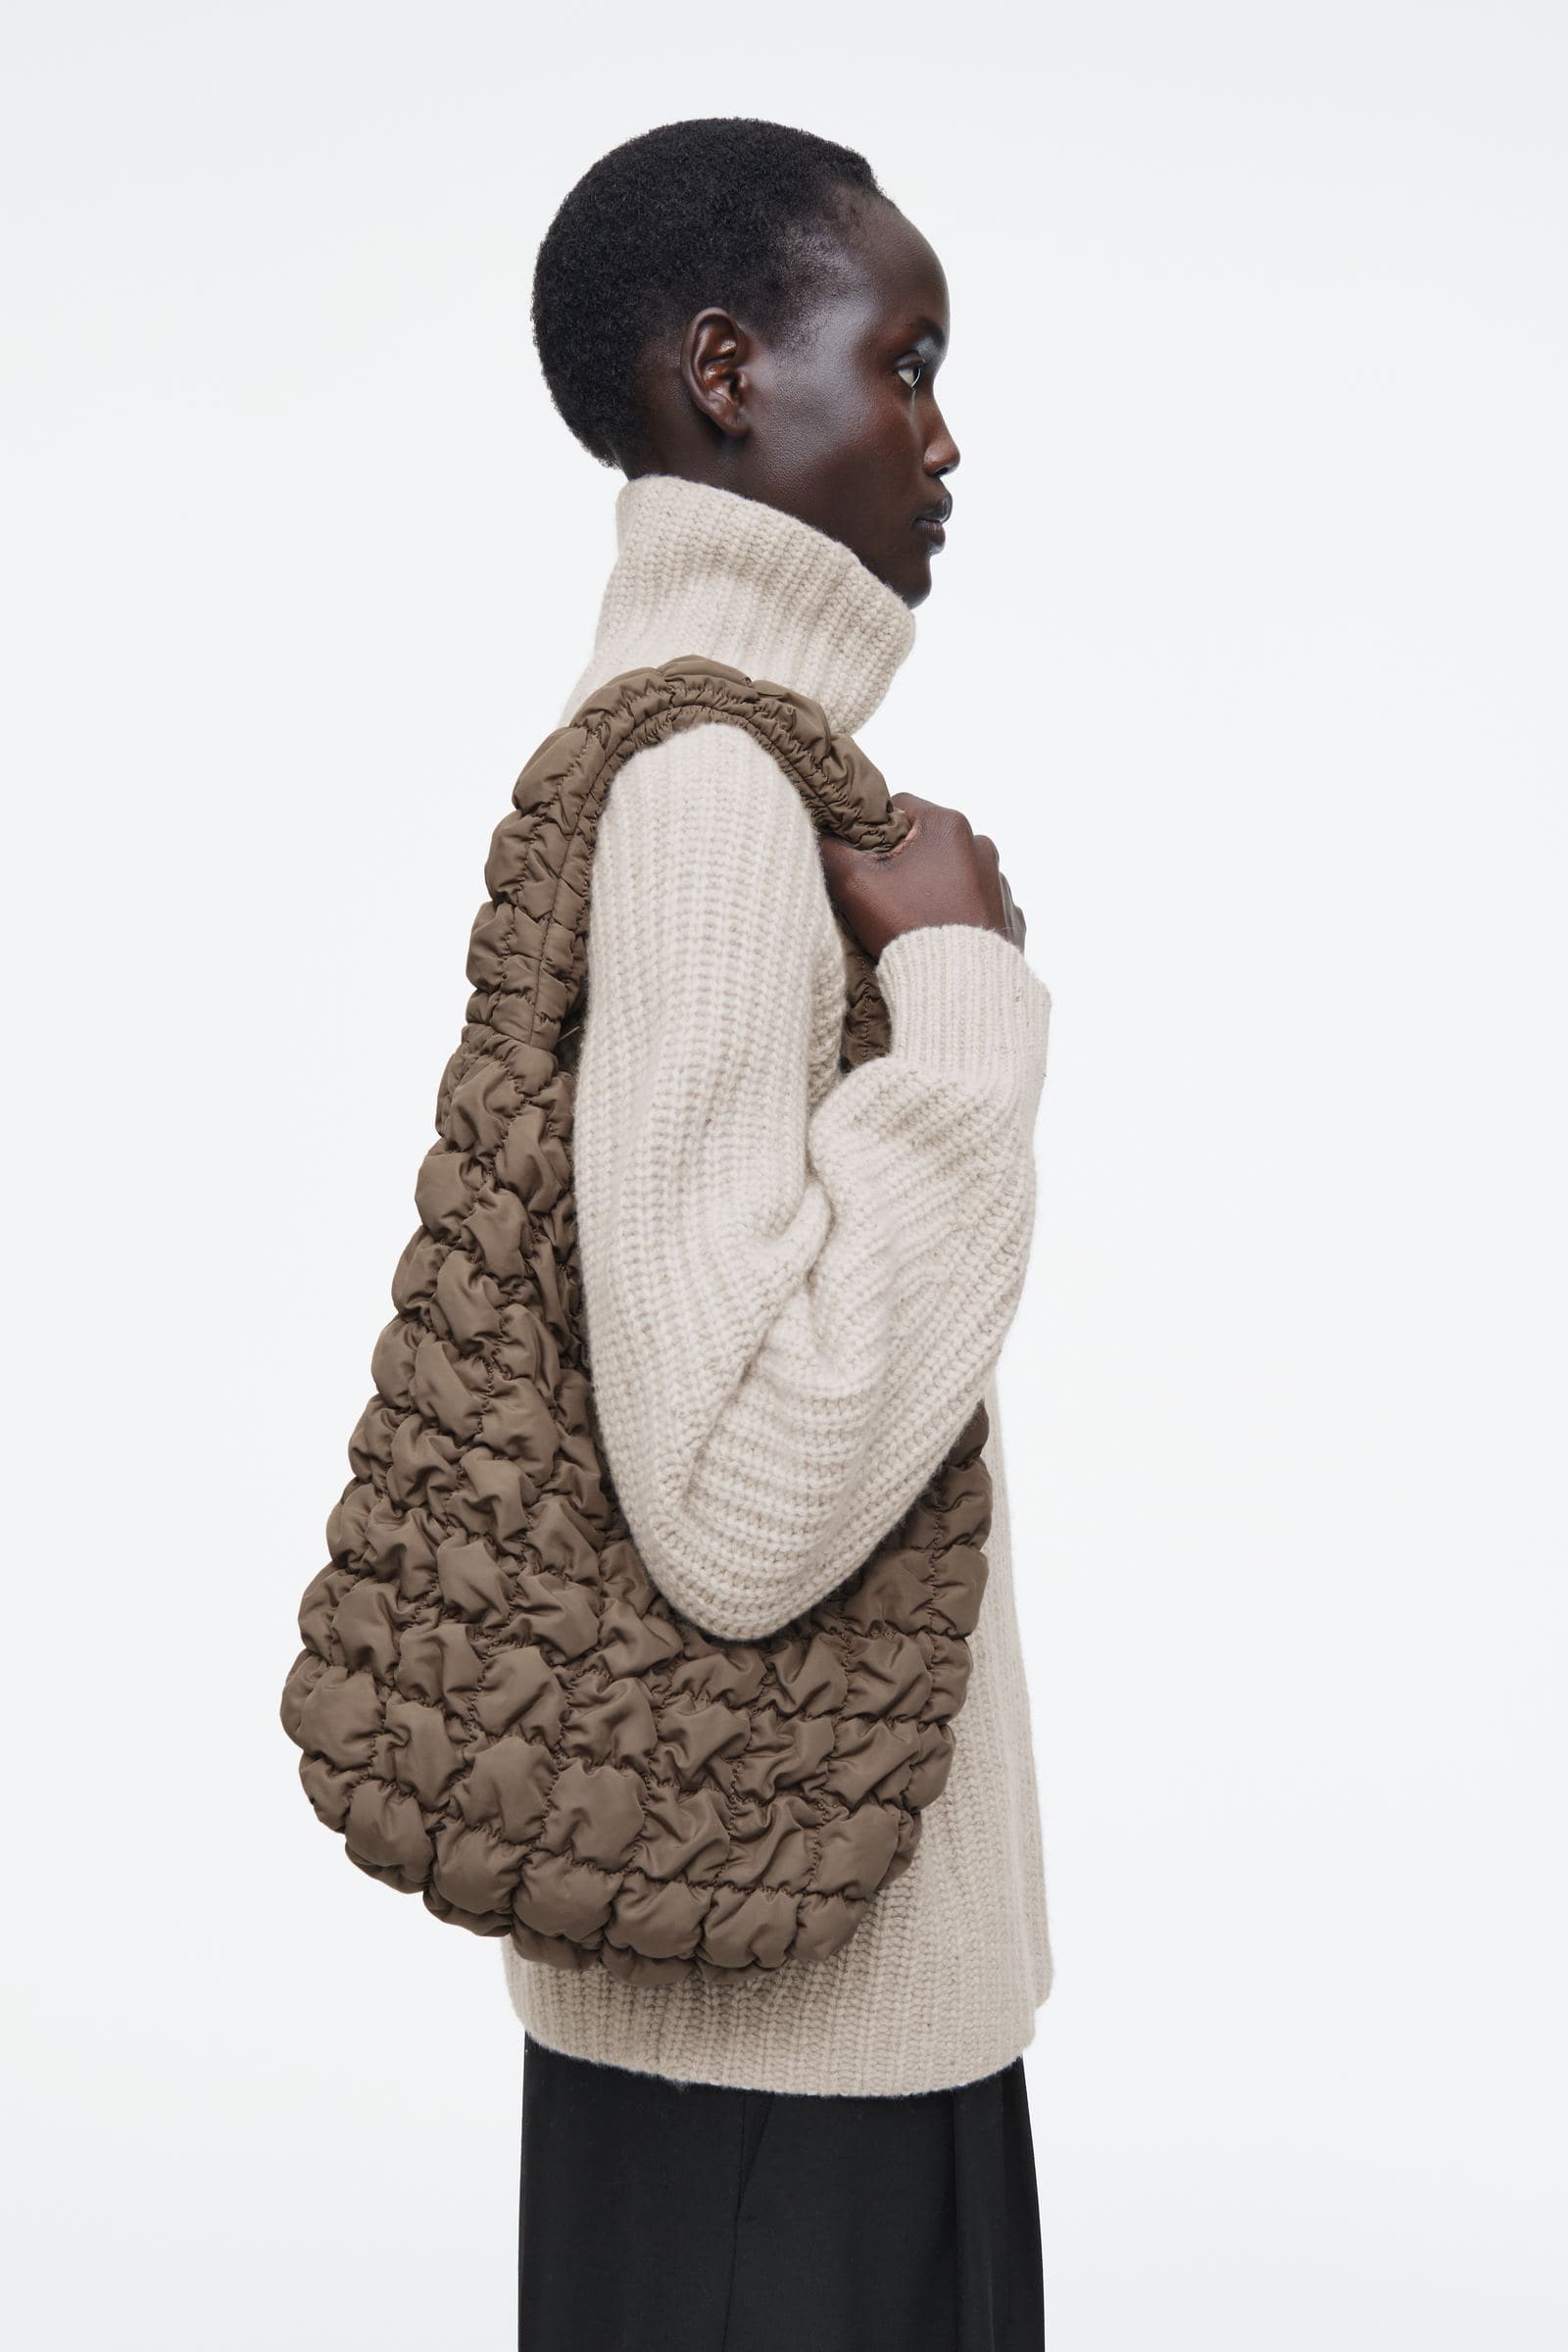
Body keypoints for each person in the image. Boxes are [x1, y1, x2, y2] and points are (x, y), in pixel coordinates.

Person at [513, 119, 1054, 2352]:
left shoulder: (722, 767)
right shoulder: (714, 798)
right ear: (728, 372)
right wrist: (964, 1001)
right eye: (903, 362)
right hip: (779, 2076)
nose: (944, 438)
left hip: (786, 1999)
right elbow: (739, 1502)